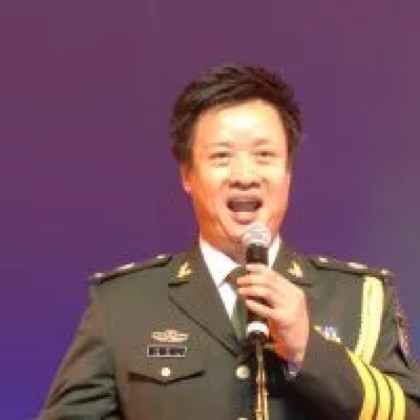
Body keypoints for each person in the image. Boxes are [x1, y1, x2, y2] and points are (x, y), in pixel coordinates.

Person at [40, 63, 420, 419]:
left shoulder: (361, 300)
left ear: (288, 171)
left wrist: (309, 350)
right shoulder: (122, 305)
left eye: (264, 155)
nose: (244, 175)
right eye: (222, 156)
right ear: (187, 174)